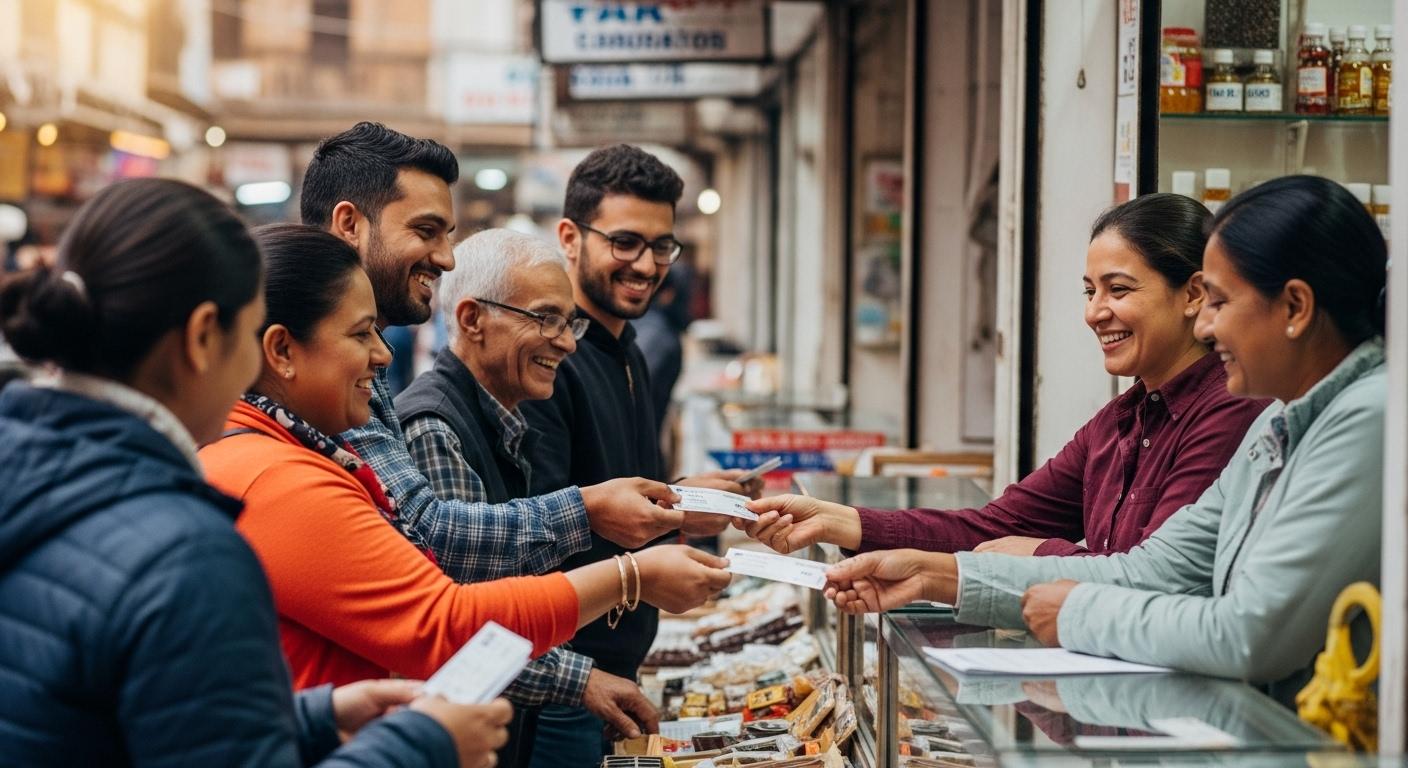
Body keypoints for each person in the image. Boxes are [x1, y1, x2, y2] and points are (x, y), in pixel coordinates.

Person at [822, 175, 1387, 705]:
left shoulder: (1366, 419)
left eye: (1220, 302)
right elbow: (1153, 569)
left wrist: (1074, 607)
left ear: (1295, 307)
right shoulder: (1279, 423)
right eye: (1090, 290)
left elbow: (1248, 632)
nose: (1209, 328)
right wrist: (930, 575)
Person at [0, 178, 503, 768]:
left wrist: (310, 718)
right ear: (202, 337)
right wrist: (426, 743)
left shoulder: (32, 473)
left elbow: (120, 719)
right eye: (250, 337)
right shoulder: (189, 550)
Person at [199, 225, 734, 755]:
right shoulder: (282, 477)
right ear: (282, 351)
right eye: (361, 334)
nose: (383, 357)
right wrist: (626, 575)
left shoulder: (291, 454)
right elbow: (444, 618)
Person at [299, 123, 702, 735]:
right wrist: (621, 565)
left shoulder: (369, 378)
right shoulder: (399, 410)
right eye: (426, 231)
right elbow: (438, 551)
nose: (445, 258)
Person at [744, 193, 1267, 558]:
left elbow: (1150, 577)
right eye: (1090, 292)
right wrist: (838, 521)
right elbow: (994, 527)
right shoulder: (1122, 420)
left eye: (1119, 290)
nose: (1095, 313)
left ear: (1194, 294)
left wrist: (1037, 555)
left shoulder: (1228, 409)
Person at [520, 144, 758, 767]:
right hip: (565, 687)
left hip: (618, 671)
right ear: (569, 237)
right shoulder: (551, 360)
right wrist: (662, 542)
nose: (646, 265)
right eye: (624, 242)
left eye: (662, 246)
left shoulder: (630, 349)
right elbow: (539, 531)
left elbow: (611, 490)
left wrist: (683, 499)